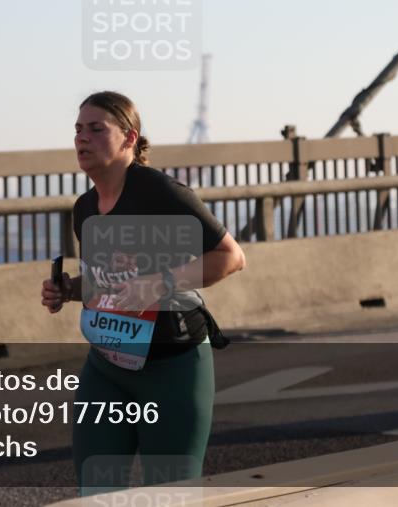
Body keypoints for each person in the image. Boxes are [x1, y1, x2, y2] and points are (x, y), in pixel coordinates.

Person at [41, 91, 245, 495]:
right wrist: (69, 290)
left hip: (173, 366)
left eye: (97, 129)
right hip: (106, 367)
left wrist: (161, 282)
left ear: (129, 138)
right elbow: (110, 282)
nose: (83, 138)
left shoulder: (161, 193)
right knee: (96, 494)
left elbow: (231, 257)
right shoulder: (85, 208)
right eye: (78, 130)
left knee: (169, 496)